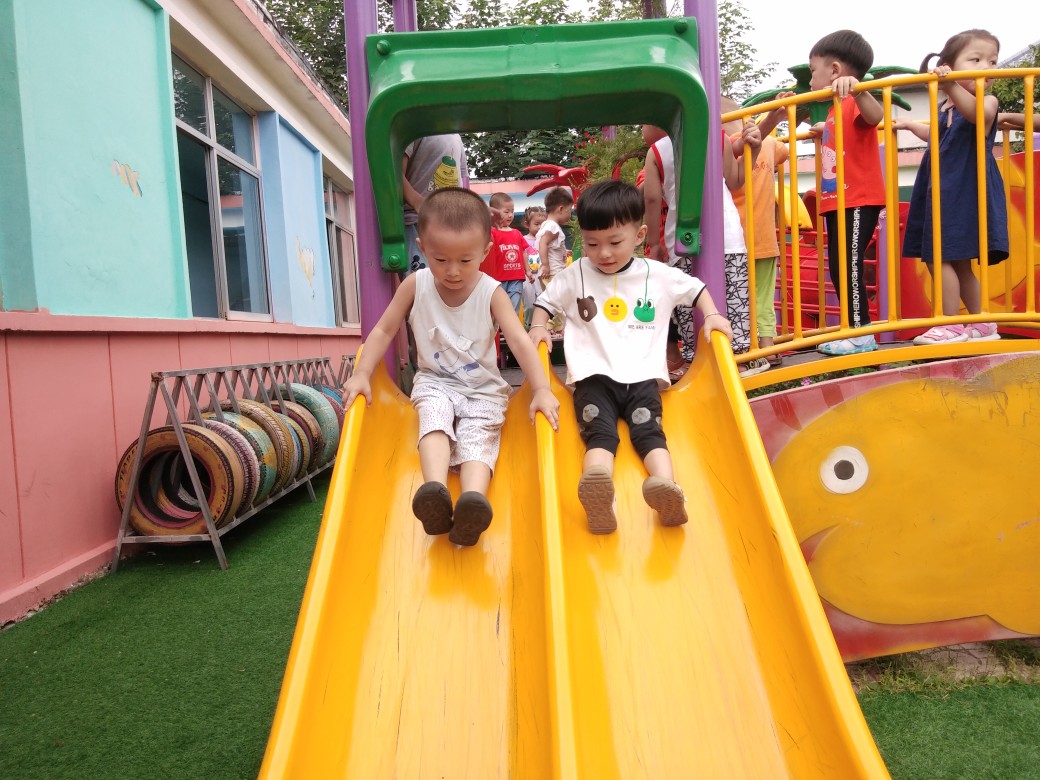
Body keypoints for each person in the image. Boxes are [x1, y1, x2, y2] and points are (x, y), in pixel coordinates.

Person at [343, 188, 560, 546]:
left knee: (479, 435)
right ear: (423, 248)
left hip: (483, 389)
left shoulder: (492, 292)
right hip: (435, 381)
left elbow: (520, 341)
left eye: (465, 260)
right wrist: (362, 374)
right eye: (441, 259)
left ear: (485, 252)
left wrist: (541, 389)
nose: (453, 271)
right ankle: (435, 491)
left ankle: (473, 502)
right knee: (434, 420)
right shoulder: (415, 285)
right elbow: (383, 329)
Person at [529, 180, 733, 534]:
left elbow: (696, 288)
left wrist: (713, 314)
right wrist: (537, 326)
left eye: (614, 242)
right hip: (593, 378)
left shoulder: (656, 274)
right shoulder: (577, 273)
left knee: (650, 433)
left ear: (639, 236)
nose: (603, 253)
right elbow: (545, 301)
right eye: (592, 243)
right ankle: (599, 490)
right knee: (599, 436)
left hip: (642, 378)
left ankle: (666, 487)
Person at [895, 30, 1009, 344]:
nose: (987, 67)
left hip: (964, 189)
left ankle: (950, 324)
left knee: (939, 255)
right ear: (949, 64)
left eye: (992, 61)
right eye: (976, 59)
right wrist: (909, 124)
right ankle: (981, 323)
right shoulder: (944, 107)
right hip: (944, 189)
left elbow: (976, 115)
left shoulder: (986, 101)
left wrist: (950, 85)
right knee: (958, 260)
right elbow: (936, 135)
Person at [642, 119, 769, 380]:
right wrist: (754, 150)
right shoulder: (717, 138)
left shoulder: (657, 151)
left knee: (689, 299)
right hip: (726, 235)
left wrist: (653, 242)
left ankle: (695, 360)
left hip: (682, 239)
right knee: (733, 297)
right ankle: (737, 359)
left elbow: (652, 199)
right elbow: (735, 180)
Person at [808, 30, 886, 356]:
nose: (810, 80)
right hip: (837, 201)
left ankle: (861, 333)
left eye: (813, 71)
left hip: (857, 199)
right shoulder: (833, 110)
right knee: (839, 265)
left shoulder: (854, 100)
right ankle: (853, 329)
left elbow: (875, 116)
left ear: (835, 71)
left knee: (849, 263)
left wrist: (858, 88)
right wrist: (821, 131)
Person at [728, 98, 792, 367]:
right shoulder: (770, 145)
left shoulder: (728, 148)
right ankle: (767, 345)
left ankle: (746, 347)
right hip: (765, 238)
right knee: (764, 296)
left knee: (738, 296)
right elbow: (784, 152)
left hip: (736, 241)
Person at [401, 134, 470, 274]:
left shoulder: (455, 135)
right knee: (422, 280)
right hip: (418, 222)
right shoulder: (414, 128)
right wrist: (417, 201)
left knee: (453, 277)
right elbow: (394, 173)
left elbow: (462, 180)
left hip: (451, 223)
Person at [480, 193, 535, 317]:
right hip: (498, 279)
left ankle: (511, 327)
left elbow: (523, 252)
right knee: (498, 308)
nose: (510, 215)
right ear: (494, 213)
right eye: (506, 212)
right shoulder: (492, 233)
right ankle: (499, 327)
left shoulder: (517, 233)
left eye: (512, 211)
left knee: (514, 307)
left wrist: (528, 271)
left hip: (516, 277)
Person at [535, 186, 574, 334]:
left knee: (557, 299)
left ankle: (557, 327)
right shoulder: (553, 227)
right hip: (552, 272)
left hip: (552, 272)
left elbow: (551, 246)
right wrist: (546, 265)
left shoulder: (548, 225)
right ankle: (548, 327)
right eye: (569, 211)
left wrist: (564, 251)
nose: (570, 214)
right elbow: (543, 243)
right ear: (561, 209)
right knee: (555, 300)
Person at [521, 206, 548, 326]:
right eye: (537, 224)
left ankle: (543, 326)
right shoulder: (522, 239)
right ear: (527, 224)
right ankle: (529, 325)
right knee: (530, 303)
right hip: (527, 276)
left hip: (542, 275)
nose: (540, 227)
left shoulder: (546, 240)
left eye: (543, 224)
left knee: (544, 302)